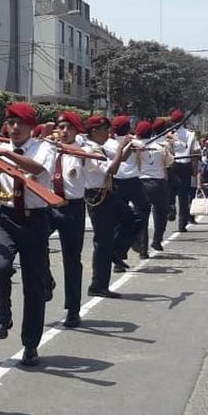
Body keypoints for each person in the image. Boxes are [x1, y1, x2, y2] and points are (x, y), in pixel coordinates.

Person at [0, 103, 56, 367]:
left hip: (35, 220)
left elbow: (37, 169)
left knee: (34, 286)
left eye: (21, 123)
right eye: (11, 122)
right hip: (5, 217)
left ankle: (30, 344)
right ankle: (4, 315)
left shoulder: (44, 148)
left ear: (32, 127)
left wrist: (6, 156)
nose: (15, 128)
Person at [83, 115, 137, 298]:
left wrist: (128, 146)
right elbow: (112, 169)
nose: (109, 133)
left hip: (108, 192)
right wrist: (121, 148)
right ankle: (98, 285)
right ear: (94, 131)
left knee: (134, 219)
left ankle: (116, 252)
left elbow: (121, 159)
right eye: (105, 129)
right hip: (97, 195)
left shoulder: (102, 147)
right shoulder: (90, 150)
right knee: (103, 241)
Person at [46, 112, 87, 327]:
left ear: (76, 130)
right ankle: (45, 280)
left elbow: (90, 156)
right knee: (34, 245)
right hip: (49, 206)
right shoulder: (48, 149)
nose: (63, 132)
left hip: (72, 208)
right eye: (60, 127)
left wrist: (62, 147)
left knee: (71, 260)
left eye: (68, 128)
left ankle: (73, 309)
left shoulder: (84, 150)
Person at [109, 116, 147, 272]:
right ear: (128, 128)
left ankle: (120, 258)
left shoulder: (109, 142)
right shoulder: (130, 140)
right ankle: (138, 243)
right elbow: (142, 145)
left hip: (117, 183)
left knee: (119, 220)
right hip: (131, 181)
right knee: (143, 212)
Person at [134, 120, 171, 254]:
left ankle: (143, 249)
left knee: (142, 214)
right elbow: (169, 163)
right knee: (161, 212)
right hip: (158, 182)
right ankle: (157, 239)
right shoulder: (161, 147)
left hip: (141, 182)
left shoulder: (135, 146)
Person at [167, 109, 198, 232]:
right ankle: (182, 224)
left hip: (172, 166)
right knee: (183, 196)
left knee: (171, 192)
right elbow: (195, 152)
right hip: (185, 166)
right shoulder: (191, 134)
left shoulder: (168, 134)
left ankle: (171, 208)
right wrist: (195, 169)